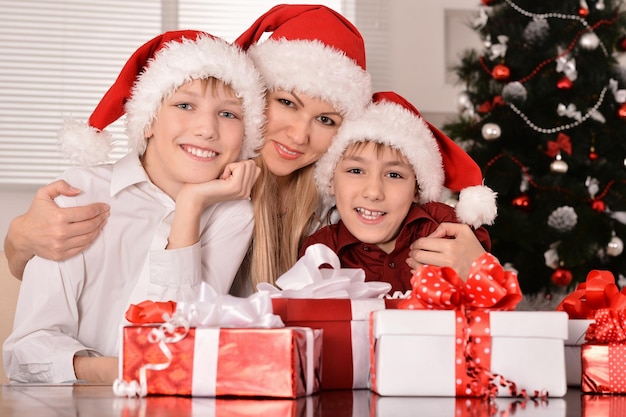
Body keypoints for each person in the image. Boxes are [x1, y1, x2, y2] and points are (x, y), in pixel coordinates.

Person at [3, 4, 489, 295]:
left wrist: (478, 266)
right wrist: (20, 240)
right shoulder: (190, 169)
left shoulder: (335, 205)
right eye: (285, 103)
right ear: (252, 97)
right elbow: (105, 276)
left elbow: (409, 248)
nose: (299, 136)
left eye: (325, 121)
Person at [3, 29, 265, 383]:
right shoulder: (82, 192)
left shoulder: (232, 214)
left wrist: (190, 204)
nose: (206, 129)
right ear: (149, 120)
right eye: (185, 105)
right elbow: (26, 352)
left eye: (229, 114)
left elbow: (180, 332)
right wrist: (123, 371)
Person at [300, 91, 497, 293]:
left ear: (417, 189)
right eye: (356, 171)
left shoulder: (444, 227)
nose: (374, 192)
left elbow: (498, 306)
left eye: (394, 175)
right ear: (331, 181)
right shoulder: (320, 251)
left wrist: (478, 271)